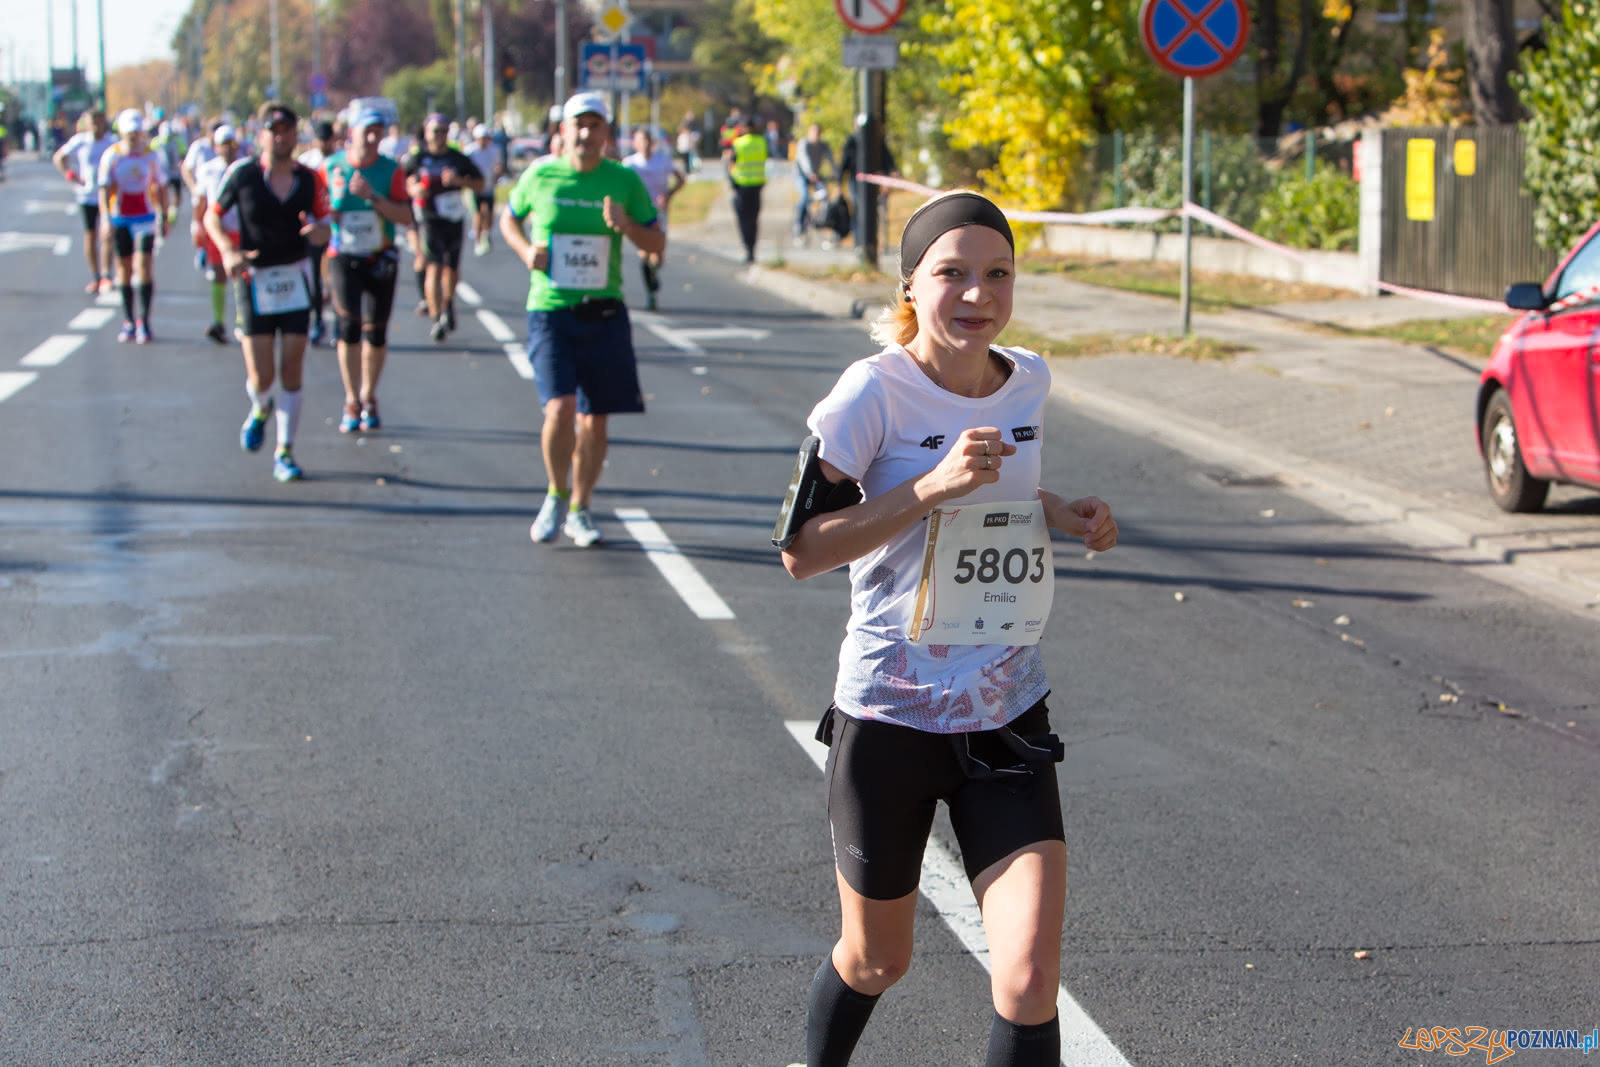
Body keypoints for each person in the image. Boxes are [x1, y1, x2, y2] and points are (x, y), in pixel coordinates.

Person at [778, 190, 1119, 1067]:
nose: (978, 294)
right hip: (890, 715)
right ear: (910, 284)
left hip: (1004, 708)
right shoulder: (871, 392)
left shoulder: (1029, 379)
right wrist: (927, 489)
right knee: (878, 957)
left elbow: (1003, 494)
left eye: (997, 273)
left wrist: (1061, 510)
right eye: (953, 274)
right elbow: (802, 551)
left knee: (1030, 975)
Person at [499, 90, 663, 549]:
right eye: (579, 125)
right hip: (550, 309)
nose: (587, 134)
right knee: (560, 408)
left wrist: (627, 226)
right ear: (563, 132)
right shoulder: (541, 175)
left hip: (604, 311)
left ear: (607, 134)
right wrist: (524, 250)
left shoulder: (624, 181)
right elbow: (508, 219)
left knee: (594, 420)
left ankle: (580, 507)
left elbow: (657, 245)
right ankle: (555, 492)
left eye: (596, 126)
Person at [206, 102, 332, 483]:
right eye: (274, 131)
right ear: (262, 136)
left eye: (288, 131)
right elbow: (213, 215)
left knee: (292, 365)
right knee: (262, 376)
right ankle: (261, 408)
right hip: (255, 278)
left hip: (295, 277)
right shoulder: (242, 175)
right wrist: (228, 251)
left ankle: (285, 451)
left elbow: (327, 222)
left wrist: (321, 234)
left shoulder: (310, 179)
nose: (281, 138)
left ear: (296, 135)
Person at [320, 109, 413, 433]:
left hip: (380, 255)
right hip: (342, 256)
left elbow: (405, 216)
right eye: (367, 132)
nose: (374, 139)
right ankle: (351, 399)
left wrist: (372, 197)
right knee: (348, 327)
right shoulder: (331, 167)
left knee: (375, 332)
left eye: (379, 132)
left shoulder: (391, 170)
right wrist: (327, 212)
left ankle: (369, 395)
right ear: (351, 134)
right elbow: (318, 214)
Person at [405, 114, 486, 342]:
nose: (440, 135)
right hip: (429, 218)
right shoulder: (417, 158)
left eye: (443, 131)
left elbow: (481, 184)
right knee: (434, 267)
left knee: (452, 268)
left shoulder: (458, 158)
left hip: (454, 217)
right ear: (427, 133)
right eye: (435, 131)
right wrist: (415, 189)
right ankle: (437, 317)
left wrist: (460, 182)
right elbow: (403, 184)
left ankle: (448, 303)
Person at [98, 109, 170, 343]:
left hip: (145, 218)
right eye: (129, 132)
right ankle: (129, 320)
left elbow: (161, 187)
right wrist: (106, 219)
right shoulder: (112, 156)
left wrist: (165, 216)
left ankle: (144, 321)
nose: (133, 136)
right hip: (121, 217)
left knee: (144, 266)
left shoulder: (151, 156)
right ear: (122, 132)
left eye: (136, 132)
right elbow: (104, 189)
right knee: (124, 270)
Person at [53, 110, 118, 294]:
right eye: (93, 123)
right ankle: (95, 276)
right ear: (88, 124)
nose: (97, 127)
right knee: (90, 235)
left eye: (100, 122)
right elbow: (59, 157)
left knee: (107, 234)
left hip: (107, 195)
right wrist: (70, 174)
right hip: (87, 195)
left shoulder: (112, 143)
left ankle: (107, 275)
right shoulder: (80, 141)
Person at [621, 126, 685, 311]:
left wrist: (669, 195)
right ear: (635, 143)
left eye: (648, 141)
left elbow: (680, 179)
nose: (646, 145)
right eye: (642, 141)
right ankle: (651, 292)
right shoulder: (630, 164)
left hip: (659, 212)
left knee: (658, 256)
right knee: (644, 252)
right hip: (639, 213)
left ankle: (653, 274)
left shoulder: (662, 161)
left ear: (653, 143)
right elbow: (623, 186)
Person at [191, 124, 244, 344]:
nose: (228, 149)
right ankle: (218, 321)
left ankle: (243, 322)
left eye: (231, 144)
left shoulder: (244, 167)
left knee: (240, 276)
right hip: (216, 230)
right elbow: (202, 200)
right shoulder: (207, 169)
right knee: (219, 275)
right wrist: (197, 225)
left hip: (240, 228)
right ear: (216, 147)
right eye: (224, 145)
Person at [298, 119, 342, 345]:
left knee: (335, 278)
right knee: (314, 278)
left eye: (329, 139)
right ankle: (317, 321)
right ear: (315, 141)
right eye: (321, 140)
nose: (325, 144)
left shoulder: (341, 162)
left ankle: (338, 324)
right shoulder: (306, 163)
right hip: (315, 227)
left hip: (337, 228)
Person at [721, 114, 767, 264]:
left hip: (741, 186)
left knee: (743, 219)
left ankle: (748, 249)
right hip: (757, 185)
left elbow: (730, 163)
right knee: (754, 219)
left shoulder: (739, 143)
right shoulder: (762, 142)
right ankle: (752, 249)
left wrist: (731, 180)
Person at [793, 122, 836, 241]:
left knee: (825, 195)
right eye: (813, 132)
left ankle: (822, 221)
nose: (816, 135)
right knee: (805, 197)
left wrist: (837, 173)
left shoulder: (823, 145)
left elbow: (831, 159)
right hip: (802, 175)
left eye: (818, 132)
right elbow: (803, 159)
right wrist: (810, 172)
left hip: (816, 176)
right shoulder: (803, 143)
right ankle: (799, 225)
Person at [466, 123, 503, 257]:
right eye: (481, 138)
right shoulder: (470, 151)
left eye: (486, 138)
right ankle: (477, 239)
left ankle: (486, 234)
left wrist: (497, 174)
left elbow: (498, 166)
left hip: (489, 186)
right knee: (477, 214)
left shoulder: (494, 150)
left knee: (489, 214)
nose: (484, 140)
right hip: (475, 187)